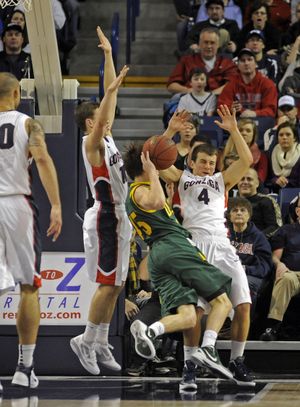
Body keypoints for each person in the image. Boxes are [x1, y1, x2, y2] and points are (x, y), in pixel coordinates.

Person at [124, 113, 234, 390]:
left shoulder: (132, 195)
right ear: (146, 165)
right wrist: (153, 173)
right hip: (175, 247)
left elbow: (157, 153)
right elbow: (157, 200)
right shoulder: (140, 189)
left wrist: (170, 131)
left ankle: (151, 331)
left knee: (187, 316)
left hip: (160, 256)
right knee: (223, 302)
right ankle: (208, 351)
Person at [160, 105, 255, 386]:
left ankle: (236, 360)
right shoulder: (181, 177)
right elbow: (153, 159)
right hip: (194, 245)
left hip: (221, 243)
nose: (209, 166)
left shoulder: (221, 180)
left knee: (244, 304)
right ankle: (190, 365)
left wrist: (234, 130)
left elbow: (246, 159)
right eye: (203, 162)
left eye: (212, 162)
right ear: (191, 161)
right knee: (197, 311)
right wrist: (170, 132)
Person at [70, 28, 132, 376]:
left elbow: (113, 94)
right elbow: (110, 97)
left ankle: (100, 340)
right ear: (91, 123)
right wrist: (109, 90)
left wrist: (108, 56)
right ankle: (85, 340)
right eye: (102, 116)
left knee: (118, 284)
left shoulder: (107, 140)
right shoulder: (89, 143)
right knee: (107, 283)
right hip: (106, 216)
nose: (109, 117)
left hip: (120, 217)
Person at [0, 72, 62, 392]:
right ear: (15, 95)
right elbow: (42, 159)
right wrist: (56, 205)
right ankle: (24, 367)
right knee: (28, 287)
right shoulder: (28, 124)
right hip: (17, 206)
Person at [260, 195, 300, 341]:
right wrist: (279, 264)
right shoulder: (286, 230)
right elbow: (275, 256)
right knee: (286, 279)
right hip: (292, 274)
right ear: (298, 212)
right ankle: (272, 327)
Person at [227, 197, 273, 322]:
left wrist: (244, 269)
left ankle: (245, 325)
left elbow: (265, 267)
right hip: (227, 274)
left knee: (243, 284)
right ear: (230, 216)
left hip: (253, 275)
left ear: (249, 215)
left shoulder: (258, 237)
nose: (239, 213)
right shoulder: (223, 235)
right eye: (235, 210)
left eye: (243, 210)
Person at [167, 27, 238, 95]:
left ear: (218, 45)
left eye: (212, 43)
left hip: (218, 102)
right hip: (190, 101)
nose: (209, 46)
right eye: (206, 42)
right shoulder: (186, 61)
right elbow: (171, 86)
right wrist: (188, 90)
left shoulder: (227, 63)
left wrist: (211, 95)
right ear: (199, 44)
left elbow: (233, 84)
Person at [218, 48, 278, 118]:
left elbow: (271, 110)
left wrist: (255, 113)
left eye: (249, 59)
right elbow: (221, 107)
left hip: (262, 124)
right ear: (238, 65)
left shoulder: (267, 84)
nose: (246, 63)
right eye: (242, 60)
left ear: (256, 64)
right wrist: (231, 109)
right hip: (238, 125)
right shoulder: (232, 84)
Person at [237, 168, 282, 239]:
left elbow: (275, 227)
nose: (245, 182)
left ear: (257, 183)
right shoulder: (231, 202)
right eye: (242, 179)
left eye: (249, 179)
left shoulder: (267, 201)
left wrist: (255, 238)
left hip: (258, 244)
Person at [221, 118, 268, 183]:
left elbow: (260, 179)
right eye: (240, 130)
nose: (244, 133)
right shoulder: (223, 153)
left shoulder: (262, 157)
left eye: (248, 131)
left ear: (253, 135)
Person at [269, 122, 300, 192]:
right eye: (281, 135)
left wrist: (286, 181)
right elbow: (268, 178)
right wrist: (276, 180)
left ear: (294, 137)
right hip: (276, 191)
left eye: (288, 134)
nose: (284, 137)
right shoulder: (272, 152)